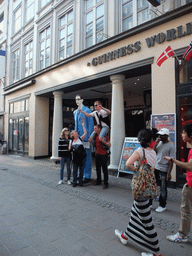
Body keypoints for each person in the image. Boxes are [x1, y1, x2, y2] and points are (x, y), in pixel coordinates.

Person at [115, 129, 161, 256]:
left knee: (146, 220)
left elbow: (128, 164)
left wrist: (137, 171)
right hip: (148, 188)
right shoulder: (153, 152)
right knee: (135, 212)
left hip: (140, 188)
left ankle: (156, 252)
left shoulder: (140, 151)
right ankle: (125, 236)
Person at [164, 122, 192, 243]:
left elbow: (190, 167)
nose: (181, 135)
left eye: (184, 133)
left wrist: (173, 160)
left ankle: (182, 235)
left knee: (186, 211)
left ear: (191, 135)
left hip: (190, 185)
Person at [153, 128, 176, 213]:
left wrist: (169, 173)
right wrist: (155, 144)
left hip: (164, 169)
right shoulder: (159, 143)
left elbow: (171, 161)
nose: (159, 137)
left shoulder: (171, 146)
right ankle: (150, 201)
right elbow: (154, 152)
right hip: (156, 167)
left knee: (163, 188)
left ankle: (162, 205)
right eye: (159, 135)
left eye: (161, 135)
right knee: (153, 185)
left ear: (166, 136)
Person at [73, 95, 94, 182]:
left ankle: (87, 175)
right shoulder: (75, 112)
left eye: (78, 99)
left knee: (87, 157)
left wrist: (89, 137)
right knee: (79, 157)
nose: (77, 101)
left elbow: (90, 125)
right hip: (78, 139)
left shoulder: (87, 111)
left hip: (86, 138)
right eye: (75, 100)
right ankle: (81, 174)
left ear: (82, 100)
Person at [92, 124, 111, 189]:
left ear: (99, 129)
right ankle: (98, 181)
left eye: (95, 128)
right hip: (97, 154)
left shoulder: (104, 136)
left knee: (104, 169)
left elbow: (109, 145)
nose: (94, 130)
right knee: (98, 168)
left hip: (103, 154)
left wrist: (103, 141)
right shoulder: (95, 136)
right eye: (94, 128)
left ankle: (106, 183)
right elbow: (94, 144)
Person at [69, 120, 87, 187]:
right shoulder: (71, 141)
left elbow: (85, 133)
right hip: (75, 157)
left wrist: (83, 126)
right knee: (75, 170)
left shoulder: (80, 139)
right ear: (73, 135)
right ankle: (74, 181)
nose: (77, 133)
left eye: (76, 132)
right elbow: (69, 148)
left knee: (81, 170)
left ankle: (80, 181)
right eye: (75, 132)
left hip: (81, 157)